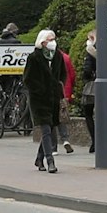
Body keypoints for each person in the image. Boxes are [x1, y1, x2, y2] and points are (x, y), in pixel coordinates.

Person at [22, 29, 63, 173]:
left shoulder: (57, 56)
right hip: (39, 99)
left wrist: (59, 90)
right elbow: (27, 79)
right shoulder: (34, 57)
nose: (53, 42)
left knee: (50, 127)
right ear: (42, 42)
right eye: (50, 40)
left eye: (54, 39)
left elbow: (61, 74)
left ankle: (39, 158)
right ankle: (50, 160)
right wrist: (39, 90)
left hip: (53, 98)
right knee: (46, 129)